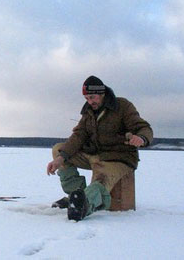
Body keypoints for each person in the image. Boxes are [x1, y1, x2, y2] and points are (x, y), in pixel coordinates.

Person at [46, 76, 153, 221]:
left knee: (100, 182)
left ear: (102, 93)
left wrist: (141, 138)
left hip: (118, 158)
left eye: (92, 97)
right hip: (94, 154)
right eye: (86, 98)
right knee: (59, 149)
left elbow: (143, 128)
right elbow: (79, 136)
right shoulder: (88, 112)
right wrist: (60, 158)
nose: (90, 102)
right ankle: (75, 196)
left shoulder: (122, 106)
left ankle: (84, 204)